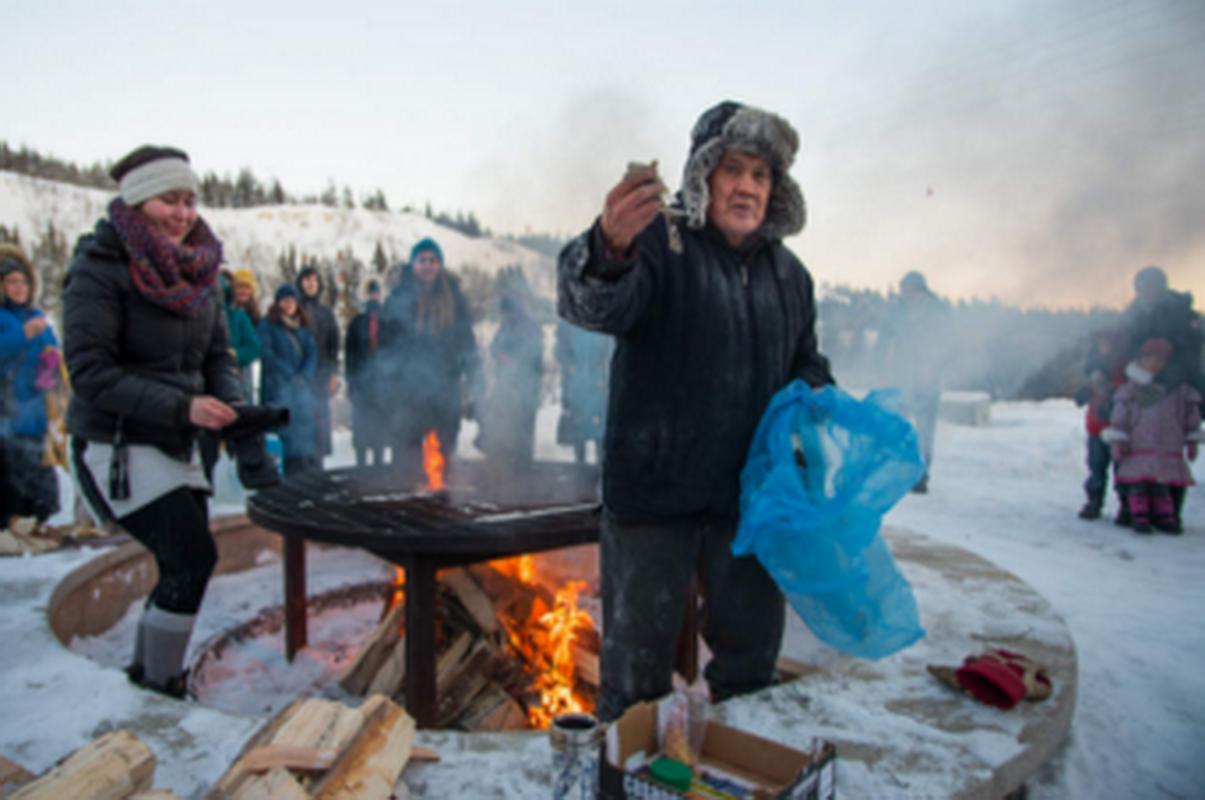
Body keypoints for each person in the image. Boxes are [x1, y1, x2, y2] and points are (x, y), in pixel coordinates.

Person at [557, 100, 834, 721]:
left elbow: (805, 363)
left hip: (749, 502)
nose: (747, 186)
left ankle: (738, 766)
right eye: (733, 169)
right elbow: (591, 307)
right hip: (655, 493)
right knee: (635, 675)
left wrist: (814, 400)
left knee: (751, 667)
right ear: (704, 174)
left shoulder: (791, 277)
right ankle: (623, 781)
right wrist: (608, 246)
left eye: (761, 175)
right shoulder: (661, 241)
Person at [62, 145, 244, 697]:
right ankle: (161, 684)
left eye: (190, 200)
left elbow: (218, 357)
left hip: (178, 440)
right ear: (139, 202)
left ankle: (147, 676)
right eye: (170, 200)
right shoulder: (99, 267)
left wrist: (234, 406)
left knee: (182, 563)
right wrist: (181, 407)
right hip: (117, 440)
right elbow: (90, 371)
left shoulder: (203, 270)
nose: (183, 213)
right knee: (192, 556)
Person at [380, 238, 483, 481]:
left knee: (444, 456)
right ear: (413, 264)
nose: (427, 265)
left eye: (433, 260)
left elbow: (466, 342)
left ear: (440, 265)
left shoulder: (454, 298)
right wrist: (390, 381)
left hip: (445, 389)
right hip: (408, 392)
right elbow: (385, 346)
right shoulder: (397, 298)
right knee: (407, 462)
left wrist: (475, 378)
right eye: (422, 260)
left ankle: (443, 505)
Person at [1122, 265, 1204, 527]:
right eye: (1142, 287)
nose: (1145, 292)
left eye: (1150, 287)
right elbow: (1119, 350)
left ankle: (1170, 512)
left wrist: (1166, 383)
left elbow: (1189, 358)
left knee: (1171, 456)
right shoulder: (1136, 314)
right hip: (1142, 386)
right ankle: (1133, 507)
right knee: (1137, 451)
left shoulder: (1179, 314)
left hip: (1177, 391)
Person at [1103, 337, 1200, 534]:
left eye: (1158, 360)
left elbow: (1191, 417)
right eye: (1148, 359)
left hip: (1168, 446)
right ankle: (1139, 515)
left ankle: (1164, 516)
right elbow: (1121, 417)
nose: (1153, 364)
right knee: (1140, 484)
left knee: (1161, 485)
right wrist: (1119, 440)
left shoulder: (1179, 391)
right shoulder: (1132, 389)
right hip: (1139, 446)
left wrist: (1192, 440)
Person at [0, 245, 62, 528]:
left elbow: (52, 350)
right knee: (10, 475)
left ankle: (37, 522)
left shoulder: (35, 315)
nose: (18, 287)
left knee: (38, 476)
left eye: (23, 281)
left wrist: (51, 362)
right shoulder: (5, 318)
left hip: (35, 410)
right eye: (11, 281)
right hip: (6, 409)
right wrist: (24, 335)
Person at [873, 271, 951, 493]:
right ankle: (900, 472)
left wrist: (933, 368)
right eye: (903, 292)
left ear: (921, 292)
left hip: (929, 379)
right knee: (900, 427)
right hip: (903, 375)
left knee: (925, 429)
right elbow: (883, 341)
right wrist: (881, 370)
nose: (906, 297)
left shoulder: (937, 312)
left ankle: (921, 476)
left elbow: (947, 344)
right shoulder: (897, 311)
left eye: (910, 292)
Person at [476, 268, 544, 489]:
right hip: (505, 389)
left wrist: (508, 360)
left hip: (524, 391)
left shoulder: (530, 327)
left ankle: (520, 478)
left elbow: (530, 358)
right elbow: (495, 347)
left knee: (521, 434)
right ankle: (503, 476)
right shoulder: (506, 326)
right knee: (502, 432)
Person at [258, 284, 317, 476]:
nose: (289, 304)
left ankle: (301, 476)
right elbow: (267, 353)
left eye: (292, 300)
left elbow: (311, 354)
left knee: (302, 439)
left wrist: (304, 376)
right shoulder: (268, 325)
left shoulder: (303, 328)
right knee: (283, 437)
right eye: (285, 301)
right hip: (278, 389)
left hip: (301, 392)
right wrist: (289, 375)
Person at [1074, 324, 1128, 520]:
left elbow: (1126, 396)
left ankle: (1126, 504)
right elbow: (1089, 389)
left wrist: (1113, 406)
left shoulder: (1122, 371)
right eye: (1101, 343)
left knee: (1122, 469)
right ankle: (1094, 501)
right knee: (1096, 468)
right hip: (1096, 428)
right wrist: (1084, 394)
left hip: (1118, 431)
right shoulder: (1095, 371)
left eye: (1108, 343)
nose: (1104, 346)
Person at [296, 262, 340, 467]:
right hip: (300, 376)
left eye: (314, 280)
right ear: (300, 283)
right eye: (307, 280)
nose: (311, 284)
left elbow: (334, 344)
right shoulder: (295, 309)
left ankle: (319, 466)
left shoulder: (326, 312)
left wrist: (333, 373)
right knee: (302, 422)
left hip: (321, 374)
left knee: (320, 424)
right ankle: (302, 468)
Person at [554, 318, 613, 464]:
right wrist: (568, 361)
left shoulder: (604, 320)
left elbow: (610, 351)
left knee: (600, 425)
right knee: (578, 423)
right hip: (577, 383)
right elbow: (559, 351)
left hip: (598, 383)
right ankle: (580, 465)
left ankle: (601, 465)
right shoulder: (569, 323)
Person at [344, 275, 389, 467]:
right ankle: (361, 469)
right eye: (370, 293)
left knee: (380, 432)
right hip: (362, 384)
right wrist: (351, 379)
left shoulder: (387, 322)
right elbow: (349, 353)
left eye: (376, 292)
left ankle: (378, 471)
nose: (373, 296)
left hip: (382, 385)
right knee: (362, 432)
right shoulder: (357, 323)